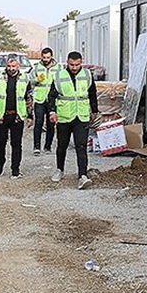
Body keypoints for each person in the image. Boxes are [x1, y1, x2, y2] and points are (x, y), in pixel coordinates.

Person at [47, 51, 99, 190]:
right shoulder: (60, 76)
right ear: (67, 62)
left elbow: (92, 93)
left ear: (81, 62)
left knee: (81, 146)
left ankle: (82, 175)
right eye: (71, 64)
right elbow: (51, 96)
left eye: (77, 64)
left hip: (81, 116)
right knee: (62, 145)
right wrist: (52, 112)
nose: (74, 67)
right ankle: (60, 170)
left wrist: (94, 110)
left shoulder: (87, 75)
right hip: (64, 116)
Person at [0, 57, 33, 178]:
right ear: (6, 66)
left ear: (18, 66)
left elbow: (29, 98)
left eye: (14, 66)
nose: (11, 69)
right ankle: (0, 162)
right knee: (0, 143)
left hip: (17, 116)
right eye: (9, 66)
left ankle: (15, 170)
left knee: (16, 144)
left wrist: (30, 115)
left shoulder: (25, 78)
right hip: (1, 116)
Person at [28, 47, 59, 156]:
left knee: (51, 124)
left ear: (51, 57)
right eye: (44, 57)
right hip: (39, 99)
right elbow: (30, 80)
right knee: (38, 123)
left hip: (52, 99)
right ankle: (37, 147)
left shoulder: (58, 68)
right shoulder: (36, 67)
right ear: (41, 57)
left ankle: (48, 147)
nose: (46, 59)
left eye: (48, 57)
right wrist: (37, 80)